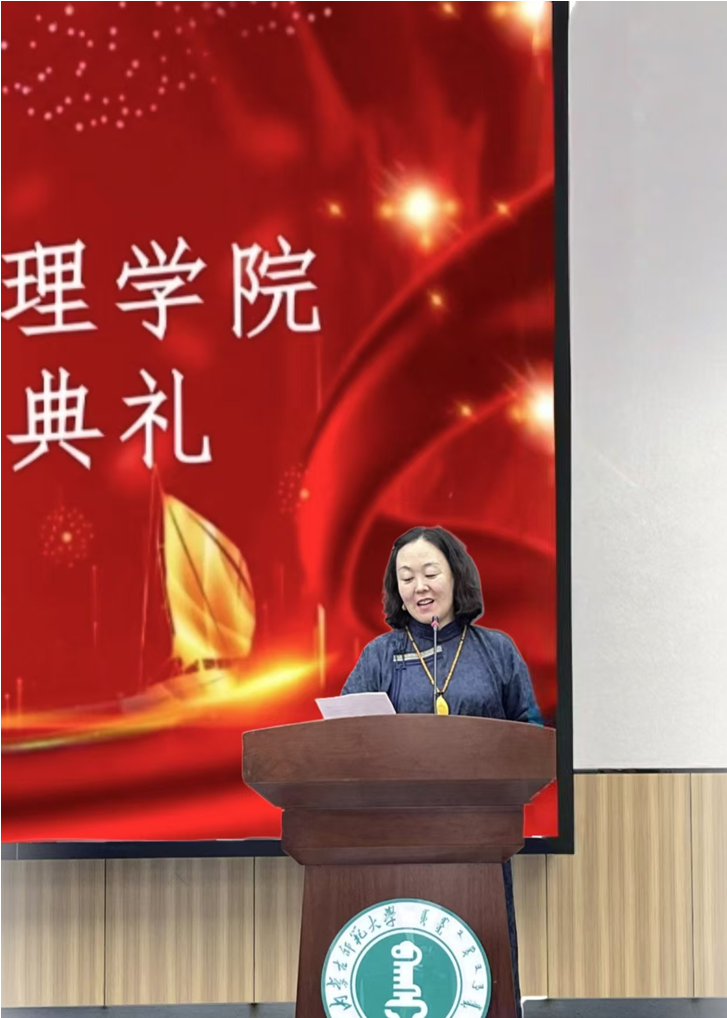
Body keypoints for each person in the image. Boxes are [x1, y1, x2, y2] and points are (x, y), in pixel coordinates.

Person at [341, 525, 543, 1018]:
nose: (419, 587)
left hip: (480, 835)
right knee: (407, 967)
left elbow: (532, 737)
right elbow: (342, 736)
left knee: (481, 962)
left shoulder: (497, 650)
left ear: (456, 575)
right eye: (406, 577)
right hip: (396, 838)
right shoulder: (380, 655)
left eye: (430, 572)